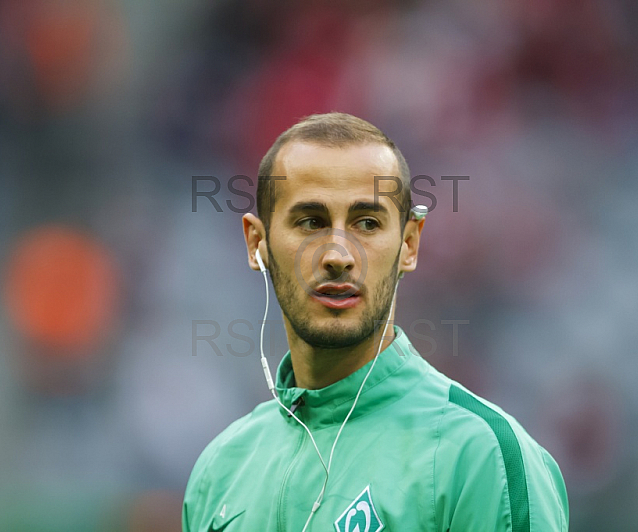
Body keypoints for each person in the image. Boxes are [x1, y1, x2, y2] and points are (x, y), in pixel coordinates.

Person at [182, 113, 568, 531]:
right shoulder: (218, 472)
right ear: (258, 245)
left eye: (367, 223)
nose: (338, 256)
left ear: (408, 243)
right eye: (310, 222)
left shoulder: (479, 458)